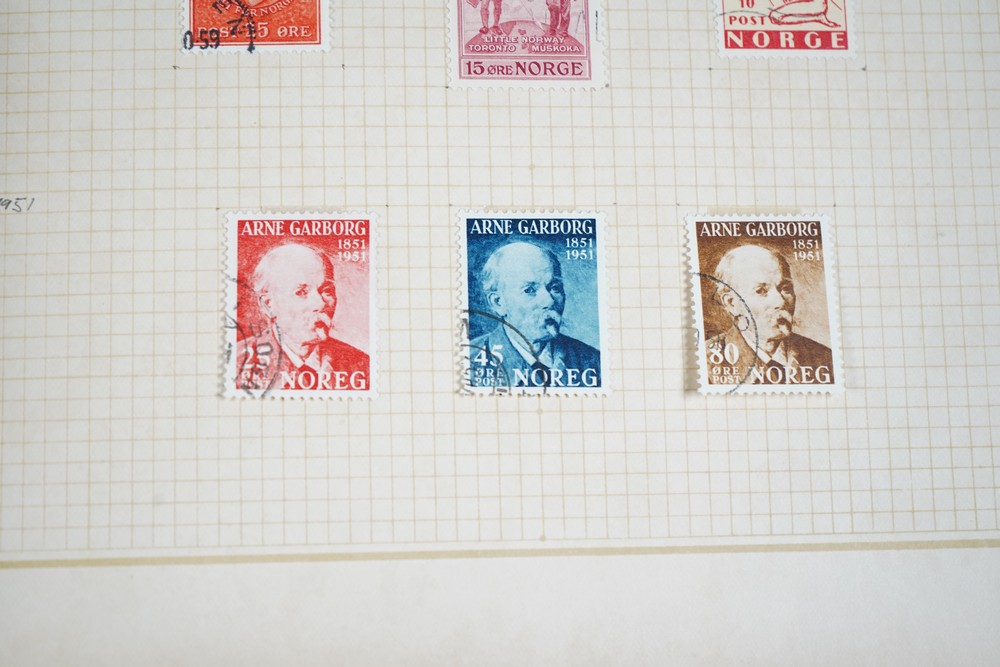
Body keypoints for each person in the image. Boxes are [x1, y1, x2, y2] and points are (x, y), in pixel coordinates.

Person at [236, 243, 369, 391]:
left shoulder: (361, 365)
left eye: (327, 290)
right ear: (268, 305)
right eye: (301, 292)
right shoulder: (236, 365)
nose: (320, 303)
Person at [469, 241, 600, 388]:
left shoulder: (593, 361)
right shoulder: (467, 363)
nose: (549, 301)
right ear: (498, 302)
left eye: (555, 288)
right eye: (529, 290)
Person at [707, 244, 833, 385]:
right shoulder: (706, 364)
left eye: (785, 289)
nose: (780, 302)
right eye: (761, 291)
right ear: (731, 303)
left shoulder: (825, 358)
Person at [768, 0, 840, 28]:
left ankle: (818, 17)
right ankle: (817, 18)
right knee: (775, 18)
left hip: (817, 5)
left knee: (775, 16)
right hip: (817, 6)